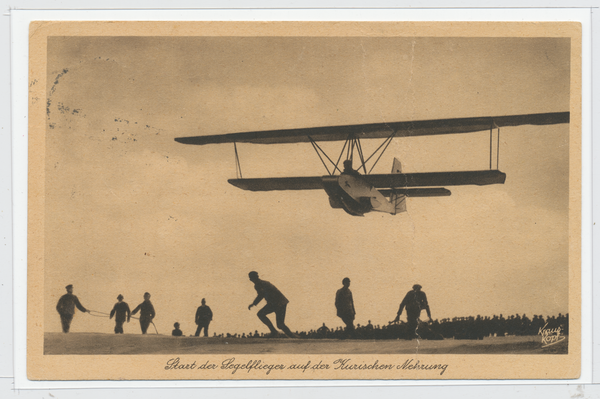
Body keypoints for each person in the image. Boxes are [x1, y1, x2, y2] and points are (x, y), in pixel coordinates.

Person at [247, 271, 296, 338]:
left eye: (252, 278)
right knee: (280, 324)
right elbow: (262, 294)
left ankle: (275, 332)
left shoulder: (261, 284)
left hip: (278, 303)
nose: (251, 280)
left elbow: (261, 295)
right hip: (276, 303)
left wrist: (253, 303)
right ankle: (291, 336)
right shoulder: (259, 284)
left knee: (277, 323)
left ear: (254, 278)